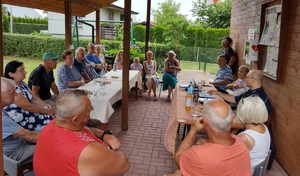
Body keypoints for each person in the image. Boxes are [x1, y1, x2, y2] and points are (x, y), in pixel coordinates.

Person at [34, 89, 129, 176]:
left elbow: (87, 129)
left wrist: (104, 134)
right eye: (88, 111)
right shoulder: (88, 152)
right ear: (75, 119)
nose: (92, 109)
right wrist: (114, 148)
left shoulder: (55, 124)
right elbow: (124, 164)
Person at [174, 99, 251, 176]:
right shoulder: (242, 144)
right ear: (231, 120)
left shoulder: (198, 155)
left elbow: (178, 157)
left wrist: (193, 131)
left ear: (205, 122)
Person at [1, 77, 40, 176]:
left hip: (15, 144)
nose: (17, 94)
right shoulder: (2, 118)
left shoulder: (4, 108)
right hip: (12, 153)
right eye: (11, 92)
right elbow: (30, 136)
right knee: (50, 147)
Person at [4, 61, 53, 131]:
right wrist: (47, 111)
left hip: (31, 114)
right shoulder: (11, 88)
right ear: (11, 74)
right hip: (23, 120)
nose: (25, 72)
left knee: (56, 117)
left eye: (24, 69)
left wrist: (47, 106)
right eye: (21, 70)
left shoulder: (22, 84)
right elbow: (28, 106)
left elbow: (34, 98)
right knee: (54, 122)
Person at [237, 96, 271, 171]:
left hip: (244, 171)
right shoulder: (264, 127)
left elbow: (228, 156)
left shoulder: (245, 137)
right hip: (254, 168)